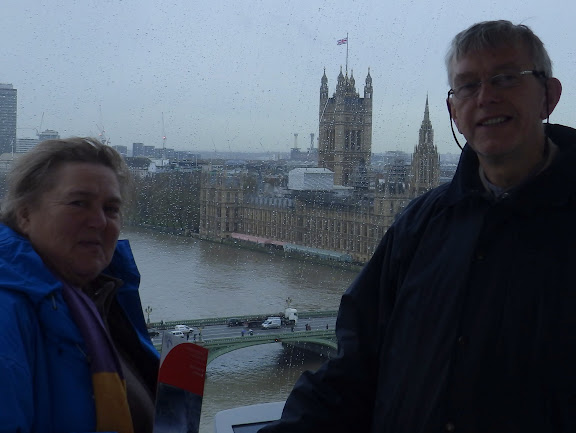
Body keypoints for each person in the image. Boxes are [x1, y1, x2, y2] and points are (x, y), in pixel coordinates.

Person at [259, 20, 575, 433]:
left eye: (506, 78)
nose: (486, 97)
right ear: (454, 111)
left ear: (548, 96)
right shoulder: (420, 223)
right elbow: (353, 370)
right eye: (467, 85)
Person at [0, 137, 160, 433]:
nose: (99, 221)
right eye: (78, 203)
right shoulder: (8, 311)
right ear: (24, 215)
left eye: (111, 208)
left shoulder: (99, 297)